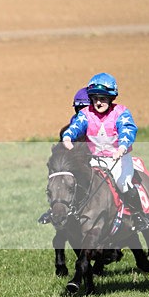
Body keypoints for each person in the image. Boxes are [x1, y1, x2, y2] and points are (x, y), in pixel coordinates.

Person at [61, 73, 149, 231]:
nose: (98, 102)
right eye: (95, 99)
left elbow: (127, 131)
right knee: (79, 182)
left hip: (119, 160)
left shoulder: (121, 113)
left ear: (111, 98)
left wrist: (122, 147)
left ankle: (138, 215)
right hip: (95, 160)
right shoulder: (86, 114)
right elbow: (76, 126)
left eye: (102, 98)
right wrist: (67, 137)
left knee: (123, 185)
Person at [38, 86, 90, 224]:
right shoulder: (67, 130)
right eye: (79, 109)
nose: (82, 112)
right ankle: (54, 211)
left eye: (85, 109)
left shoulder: (100, 125)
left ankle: (135, 212)